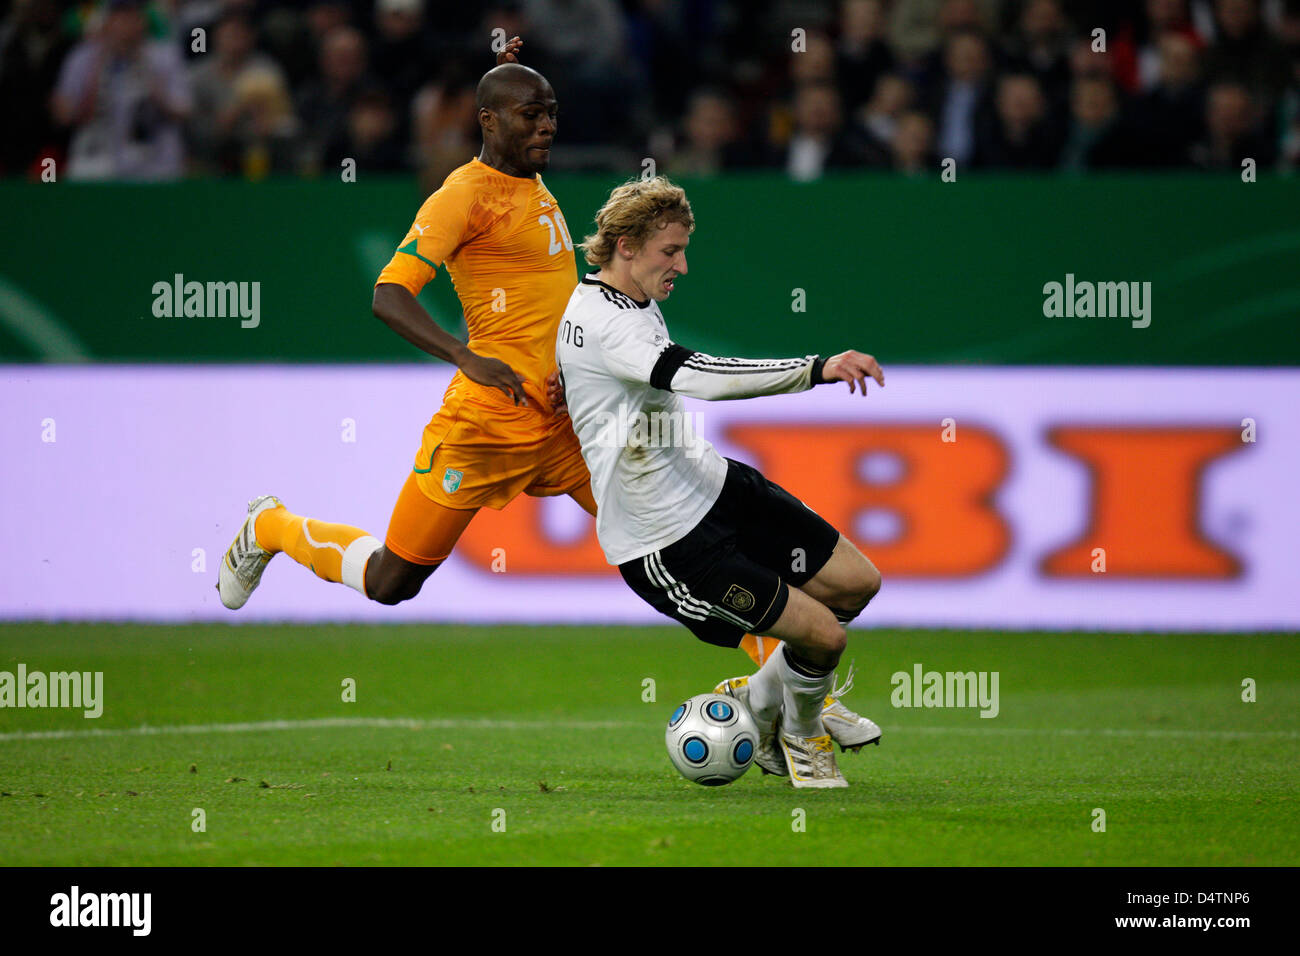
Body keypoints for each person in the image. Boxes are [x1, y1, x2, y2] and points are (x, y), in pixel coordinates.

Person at [218, 43, 597, 611]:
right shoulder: (463, 196)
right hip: (487, 423)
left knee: (665, 534)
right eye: (531, 116)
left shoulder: (531, 181)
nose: (546, 128)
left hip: (563, 420)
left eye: (550, 114)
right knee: (391, 581)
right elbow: (388, 295)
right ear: (488, 122)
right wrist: (464, 356)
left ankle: (770, 670)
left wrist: (504, 70)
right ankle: (271, 527)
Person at [555, 177, 885, 788]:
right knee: (824, 637)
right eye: (669, 251)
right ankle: (801, 736)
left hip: (716, 486)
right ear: (625, 246)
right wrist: (816, 368)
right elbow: (699, 376)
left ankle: (760, 697)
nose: (681, 265)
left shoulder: (617, 300)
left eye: (683, 250)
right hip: (668, 540)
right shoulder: (610, 322)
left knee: (859, 584)